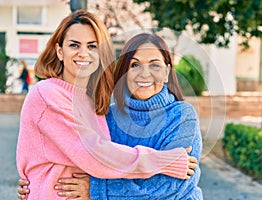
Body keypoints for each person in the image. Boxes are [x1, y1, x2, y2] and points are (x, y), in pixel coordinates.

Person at [16, 10, 197, 200]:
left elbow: (179, 183)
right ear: (60, 51)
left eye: (92, 46)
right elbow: (96, 156)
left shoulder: (95, 103)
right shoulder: (47, 94)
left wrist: (96, 190)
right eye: (74, 45)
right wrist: (164, 161)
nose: (83, 53)